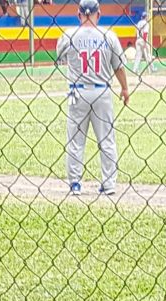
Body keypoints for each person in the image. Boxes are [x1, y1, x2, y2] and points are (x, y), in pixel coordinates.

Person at [56, 0, 127, 197]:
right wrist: (125, 88)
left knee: (75, 140)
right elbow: (118, 67)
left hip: (77, 91)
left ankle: (75, 183)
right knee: (106, 139)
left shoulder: (69, 35)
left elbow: (60, 57)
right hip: (102, 91)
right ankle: (109, 183)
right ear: (99, 14)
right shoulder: (109, 36)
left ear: (79, 14)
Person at [133, 7, 154, 74]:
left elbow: (136, 33)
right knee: (148, 54)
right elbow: (145, 33)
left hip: (138, 40)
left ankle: (134, 69)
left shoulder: (138, 23)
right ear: (146, 17)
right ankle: (151, 69)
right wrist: (145, 43)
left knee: (138, 56)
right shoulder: (146, 23)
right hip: (143, 40)